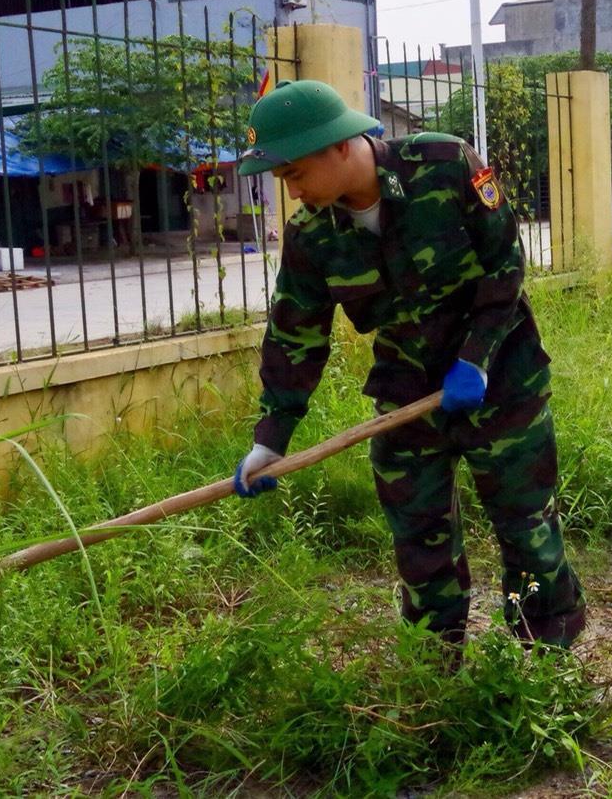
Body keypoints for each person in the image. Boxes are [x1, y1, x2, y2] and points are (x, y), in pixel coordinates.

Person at [232, 79, 585, 647]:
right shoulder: (311, 235)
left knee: (527, 529)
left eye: (293, 173)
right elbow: (295, 335)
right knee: (419, 541)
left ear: (338, 145)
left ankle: (548, 664)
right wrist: (272, 436)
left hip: (502, 381)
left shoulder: (446, 165)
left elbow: (504, 267)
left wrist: (475, 360)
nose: (291, 192)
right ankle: (436, 670)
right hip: (407, 393)